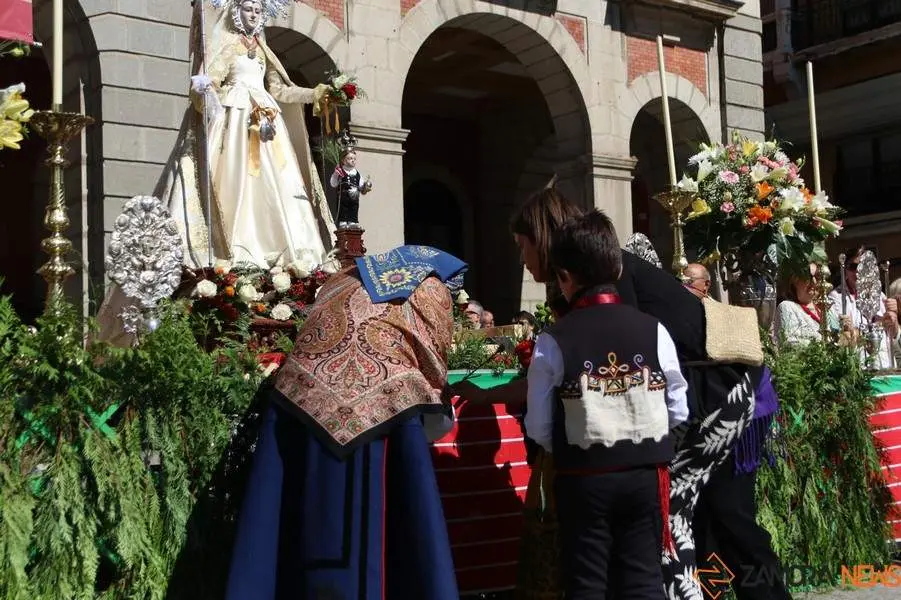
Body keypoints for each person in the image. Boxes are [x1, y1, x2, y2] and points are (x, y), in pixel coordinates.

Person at [225, 245, 466, 600]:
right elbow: (432, 362)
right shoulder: (431, 286)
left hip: (302, 392)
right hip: (382, 400)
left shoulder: (343, 279)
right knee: (399, 532)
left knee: (285, 521)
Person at [96, 0, 336, 344]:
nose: (254, 15)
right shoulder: (225, 45)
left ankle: (285, 269)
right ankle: (234, 256)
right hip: (235, 124)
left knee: (277, 194)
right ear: (237, 13)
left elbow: (280, 90)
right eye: (248, 9)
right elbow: (211, 85)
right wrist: (204, 89)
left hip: (268, 126)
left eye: (258, 10)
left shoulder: (264, 51)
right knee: (236, 187)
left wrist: (318, 93)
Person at [525, 210, 688, 598]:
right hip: (645, 476)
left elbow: (539, 427)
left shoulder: (553, 339)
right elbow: (678, 408)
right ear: (617, 269)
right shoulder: (655, 330)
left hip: (583, 479)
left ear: (563, 277)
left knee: (587, 582)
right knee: (644, 578)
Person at [774, 263, 851, 346]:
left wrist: (847, 332)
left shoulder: (828, 310)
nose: (814, 282)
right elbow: (790, 344)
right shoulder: (787, 307)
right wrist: (829, 344)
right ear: (794, 281)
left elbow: (842, 344)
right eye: (808, 277)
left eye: (818, 277)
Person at [330, 140, 372, 228]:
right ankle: (343, 222)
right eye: (350, 159)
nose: (353, 161)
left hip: (354, 196)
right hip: (343, 196)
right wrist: (335, 174)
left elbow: (361, 186)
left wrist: (365, 186)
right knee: (343, 208)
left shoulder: (357, 173)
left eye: (354, 159)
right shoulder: (340, 171)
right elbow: (333, 184)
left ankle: (352, 222)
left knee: (354, 208)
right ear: (343, 161)